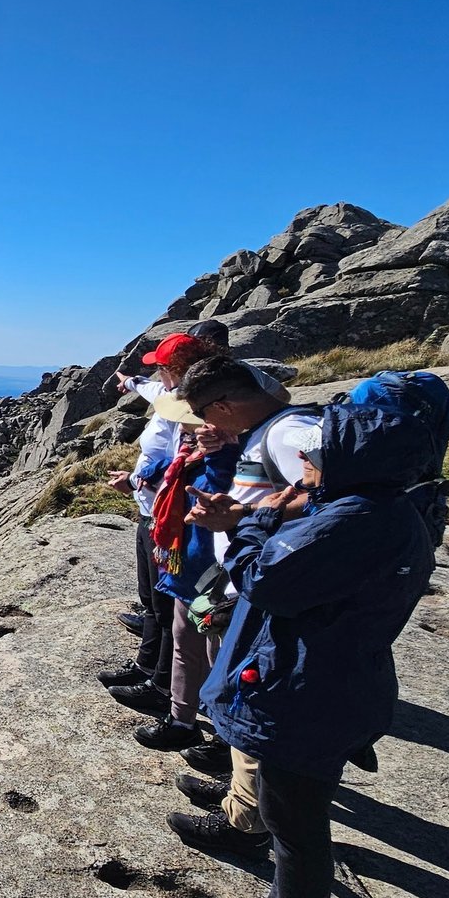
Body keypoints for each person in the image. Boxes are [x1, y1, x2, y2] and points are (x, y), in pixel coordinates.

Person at [190, 407, 436, 898]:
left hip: (307, 693)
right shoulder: (377, 510)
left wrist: (249, 527)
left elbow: (267, 580)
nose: (304, 459)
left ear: (355, 462)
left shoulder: (355, 520)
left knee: (295, 823)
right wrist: (261, 515)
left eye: (318, 453)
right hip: (331, 683)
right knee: (291, 816)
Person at [156, 353, 321, 855]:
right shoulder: (266, 431)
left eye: (207, 413)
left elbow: (331, 498)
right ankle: (239, 793)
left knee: (253, 698)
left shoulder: (289, 433)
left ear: (225, 404)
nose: (203, 424)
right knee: (235, 689)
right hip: (249, 581)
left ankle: (245, 825)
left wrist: (243, 517)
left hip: (269, 586)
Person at [98, 333, 216, 711]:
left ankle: (162, 687)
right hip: (151, 511)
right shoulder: (173, 397)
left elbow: (180, 462)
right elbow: (153, 392)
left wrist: (134, 479)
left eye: (161, 368)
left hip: (169, 519)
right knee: (151, 599)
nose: (158, 375)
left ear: (175, 370)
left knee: (167, 607)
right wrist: (130, 382)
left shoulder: (193, 412)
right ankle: (146, 666)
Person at [132, 419, 236, 752]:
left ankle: (223, 738)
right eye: (188, 431)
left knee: (218, 657)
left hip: (217, 578)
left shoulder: (234, 460)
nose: (191, 436)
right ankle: (181, 721)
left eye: (200, 430)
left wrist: (219, 453)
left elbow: (222, 489)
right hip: (187, 571)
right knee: (184, 647)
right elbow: (159, 472)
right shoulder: (187, 458)